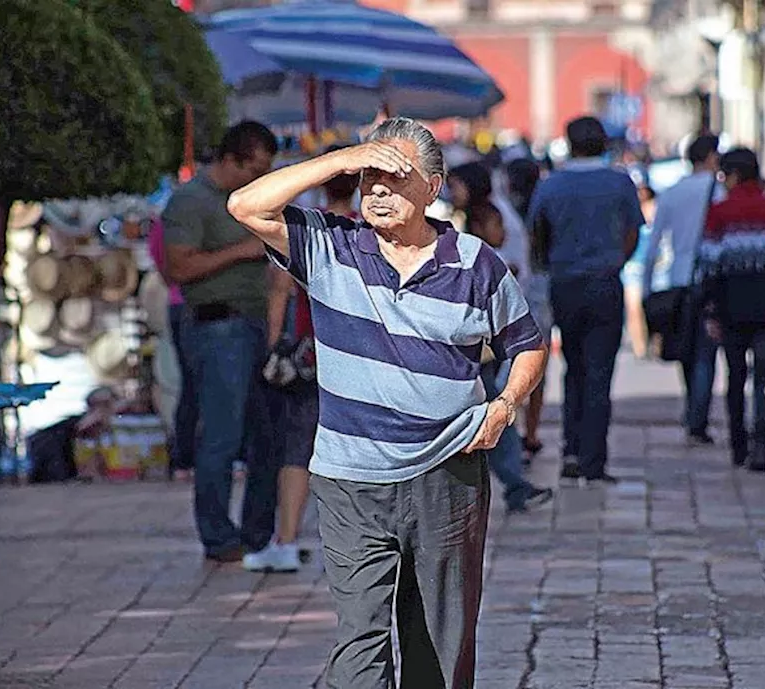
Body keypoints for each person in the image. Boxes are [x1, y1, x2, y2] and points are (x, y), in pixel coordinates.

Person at [227, 117, 548, 688]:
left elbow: (527, 345)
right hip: (351, 478)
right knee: (360, 639)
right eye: (367, 177)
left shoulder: (476, 263)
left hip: (447, 474)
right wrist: (338, 159)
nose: (375, 189)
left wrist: (504, 408)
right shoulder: (333, 246)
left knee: (438, 643)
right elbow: (247, 207)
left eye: (394, 177)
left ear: (433, 185)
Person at [162, 120, 277, 563]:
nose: (259, 178)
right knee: (222, 437)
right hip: (217, 328)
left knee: (265, 438)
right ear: (232, 160)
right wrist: (241, 251)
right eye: (256, 168)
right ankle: (218, 535)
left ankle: (256, 534)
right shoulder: (192, 202)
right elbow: (179, 268)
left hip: (251, 325)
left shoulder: (246, 202)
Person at [241, 159, 359, 573]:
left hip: (314, 353)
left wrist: (274, 345)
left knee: (298, 447)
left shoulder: (309, 231)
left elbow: (279, 289)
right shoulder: (371, 230)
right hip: (364, 352)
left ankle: (286, 540)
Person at [528, 116, 643, 483]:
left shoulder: (552, 185)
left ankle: (572, 451)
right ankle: (594, 460)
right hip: (605, 282)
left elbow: (538, 233)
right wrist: (615, 261)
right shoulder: (619, 182)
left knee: (573, 369)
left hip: (565, 283)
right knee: (599, 374)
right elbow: (632, 232)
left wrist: (551, 265)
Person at [448, 161, 553, 513]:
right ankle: (510, 483)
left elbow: (509, 267)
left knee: (493, 406)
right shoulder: (480, 217)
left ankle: (512, 483)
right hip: (481, 334)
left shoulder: (491, 218)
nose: (452, 192)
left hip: (484, 335)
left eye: (456, 185)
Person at [698, 148, 765, 472]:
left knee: (735, 378)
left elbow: (708, 265)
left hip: (731, 306)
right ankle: (761, 446)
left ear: (732, 175)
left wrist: (710, 310)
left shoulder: (719, 212)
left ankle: (738, 446)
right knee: (764, 377)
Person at [644, 133, 723, 444]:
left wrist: (648, 289)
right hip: (709, 278)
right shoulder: (717, 193)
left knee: (686, 349)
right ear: (711, 158)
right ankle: (697, 418)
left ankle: (693, 409)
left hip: (678, 279)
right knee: (705, 351)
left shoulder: (672, 193)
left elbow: (653, 245)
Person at [505, 157, 552, 460]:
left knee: (511, 364)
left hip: (519, 288)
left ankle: (513, 426)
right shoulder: (544, 204)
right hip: (541, 286)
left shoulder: (505, 211)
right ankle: (531, 430)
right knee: (536, 360)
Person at [147, 217, 195, 482]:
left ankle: (183, 459)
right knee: (194, 385)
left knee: (189, 386)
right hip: (186, 303)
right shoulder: (171, 219)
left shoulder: (163, 219)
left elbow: (160, 264)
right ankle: (184, 457)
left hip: (178, 302)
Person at [622, 172, 657, 358]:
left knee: (653, 307)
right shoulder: (627, 208)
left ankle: (655, 340)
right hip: (632, 265)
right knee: (633, 308)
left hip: (656, 265)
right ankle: (640, 346)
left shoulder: (656, 207)